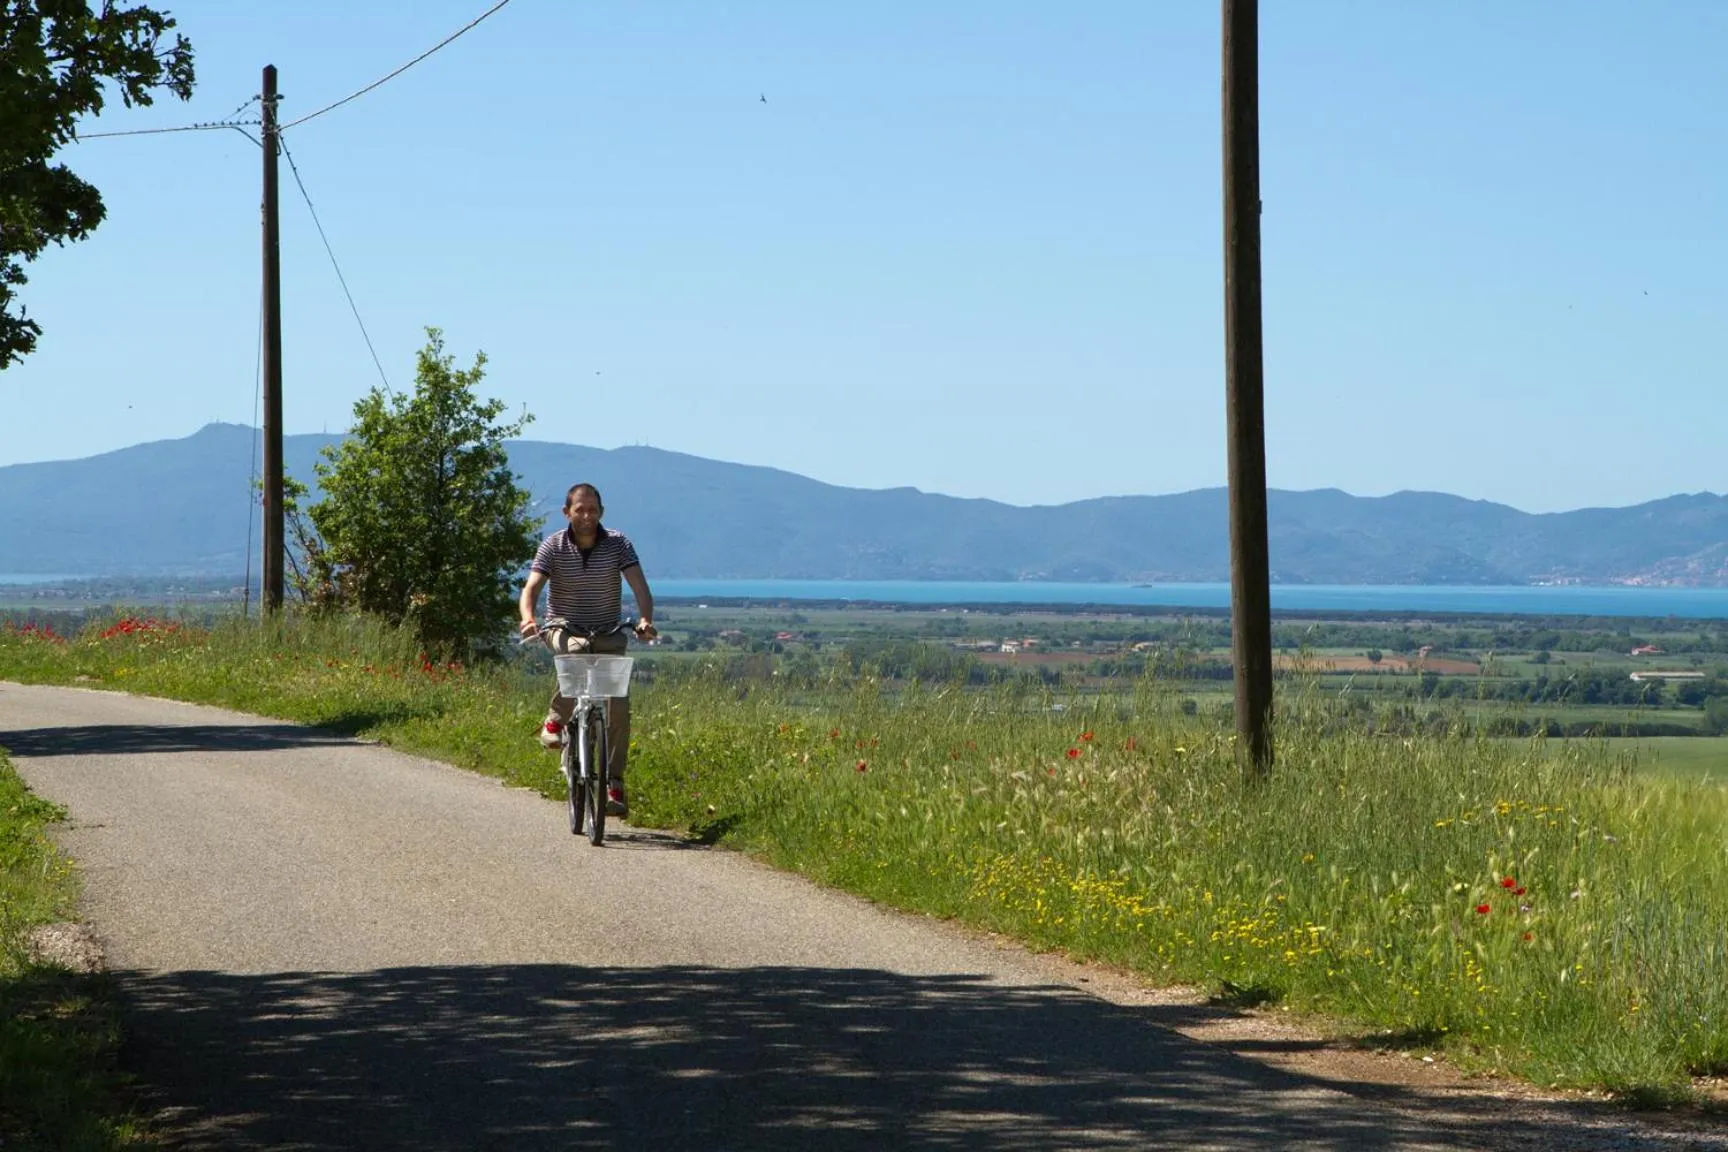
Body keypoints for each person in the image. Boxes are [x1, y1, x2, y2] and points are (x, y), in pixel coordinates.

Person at [519, 482, 656, 817]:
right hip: (563, 627)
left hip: (606, 629)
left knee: (618, 704)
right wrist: (528, 618)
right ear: (567, 513)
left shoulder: (618, 544)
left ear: (601, 513)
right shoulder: (552, 545)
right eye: (580, 509)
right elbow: (531, 588)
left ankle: (614, 784)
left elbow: (640, 585)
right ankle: (555, 720)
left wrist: (644, 620)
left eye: (593, 509)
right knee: (578, 654)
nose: (587, 515)